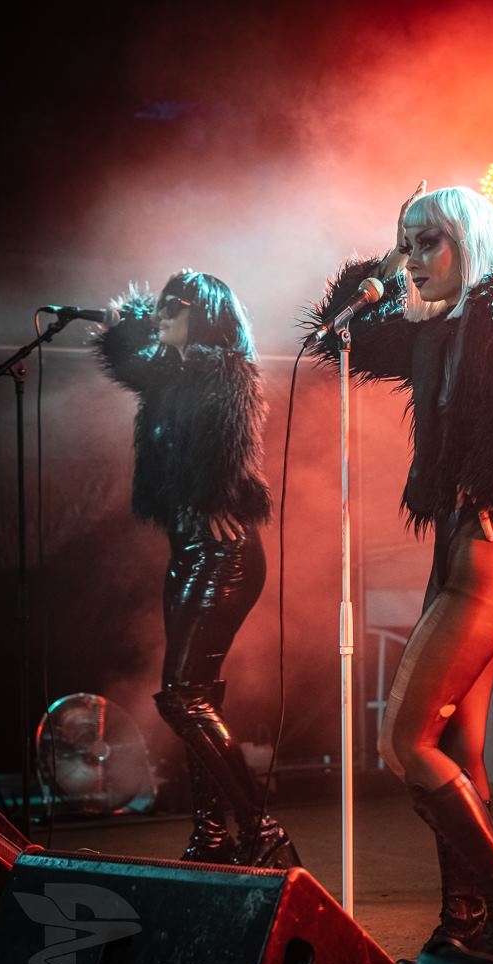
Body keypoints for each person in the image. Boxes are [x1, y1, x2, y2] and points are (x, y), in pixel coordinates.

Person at [305, 183, 493, 963]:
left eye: (427, 241)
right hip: (455, 557)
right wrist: (378, 271)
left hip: (488, 557)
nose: (412, 259)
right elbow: (339, 341)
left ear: (471, 241)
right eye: (405, 243)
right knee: (456, 748)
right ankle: (462, 925)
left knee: (403, 742)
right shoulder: (432, 334)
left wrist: (484, 482)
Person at [95, 270, 299, 868]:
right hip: (185, 551)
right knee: (198, 696)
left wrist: (215, 497)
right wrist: (134, 316)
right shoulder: (166, 375)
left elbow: (227, 450)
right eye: (160, 305)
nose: (162, 314)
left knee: (184, 697)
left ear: (205, 314)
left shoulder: (223, 371)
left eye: (175, 306)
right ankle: (211, 836)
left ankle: (262, 829)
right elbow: (123, 355)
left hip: (224, 553)